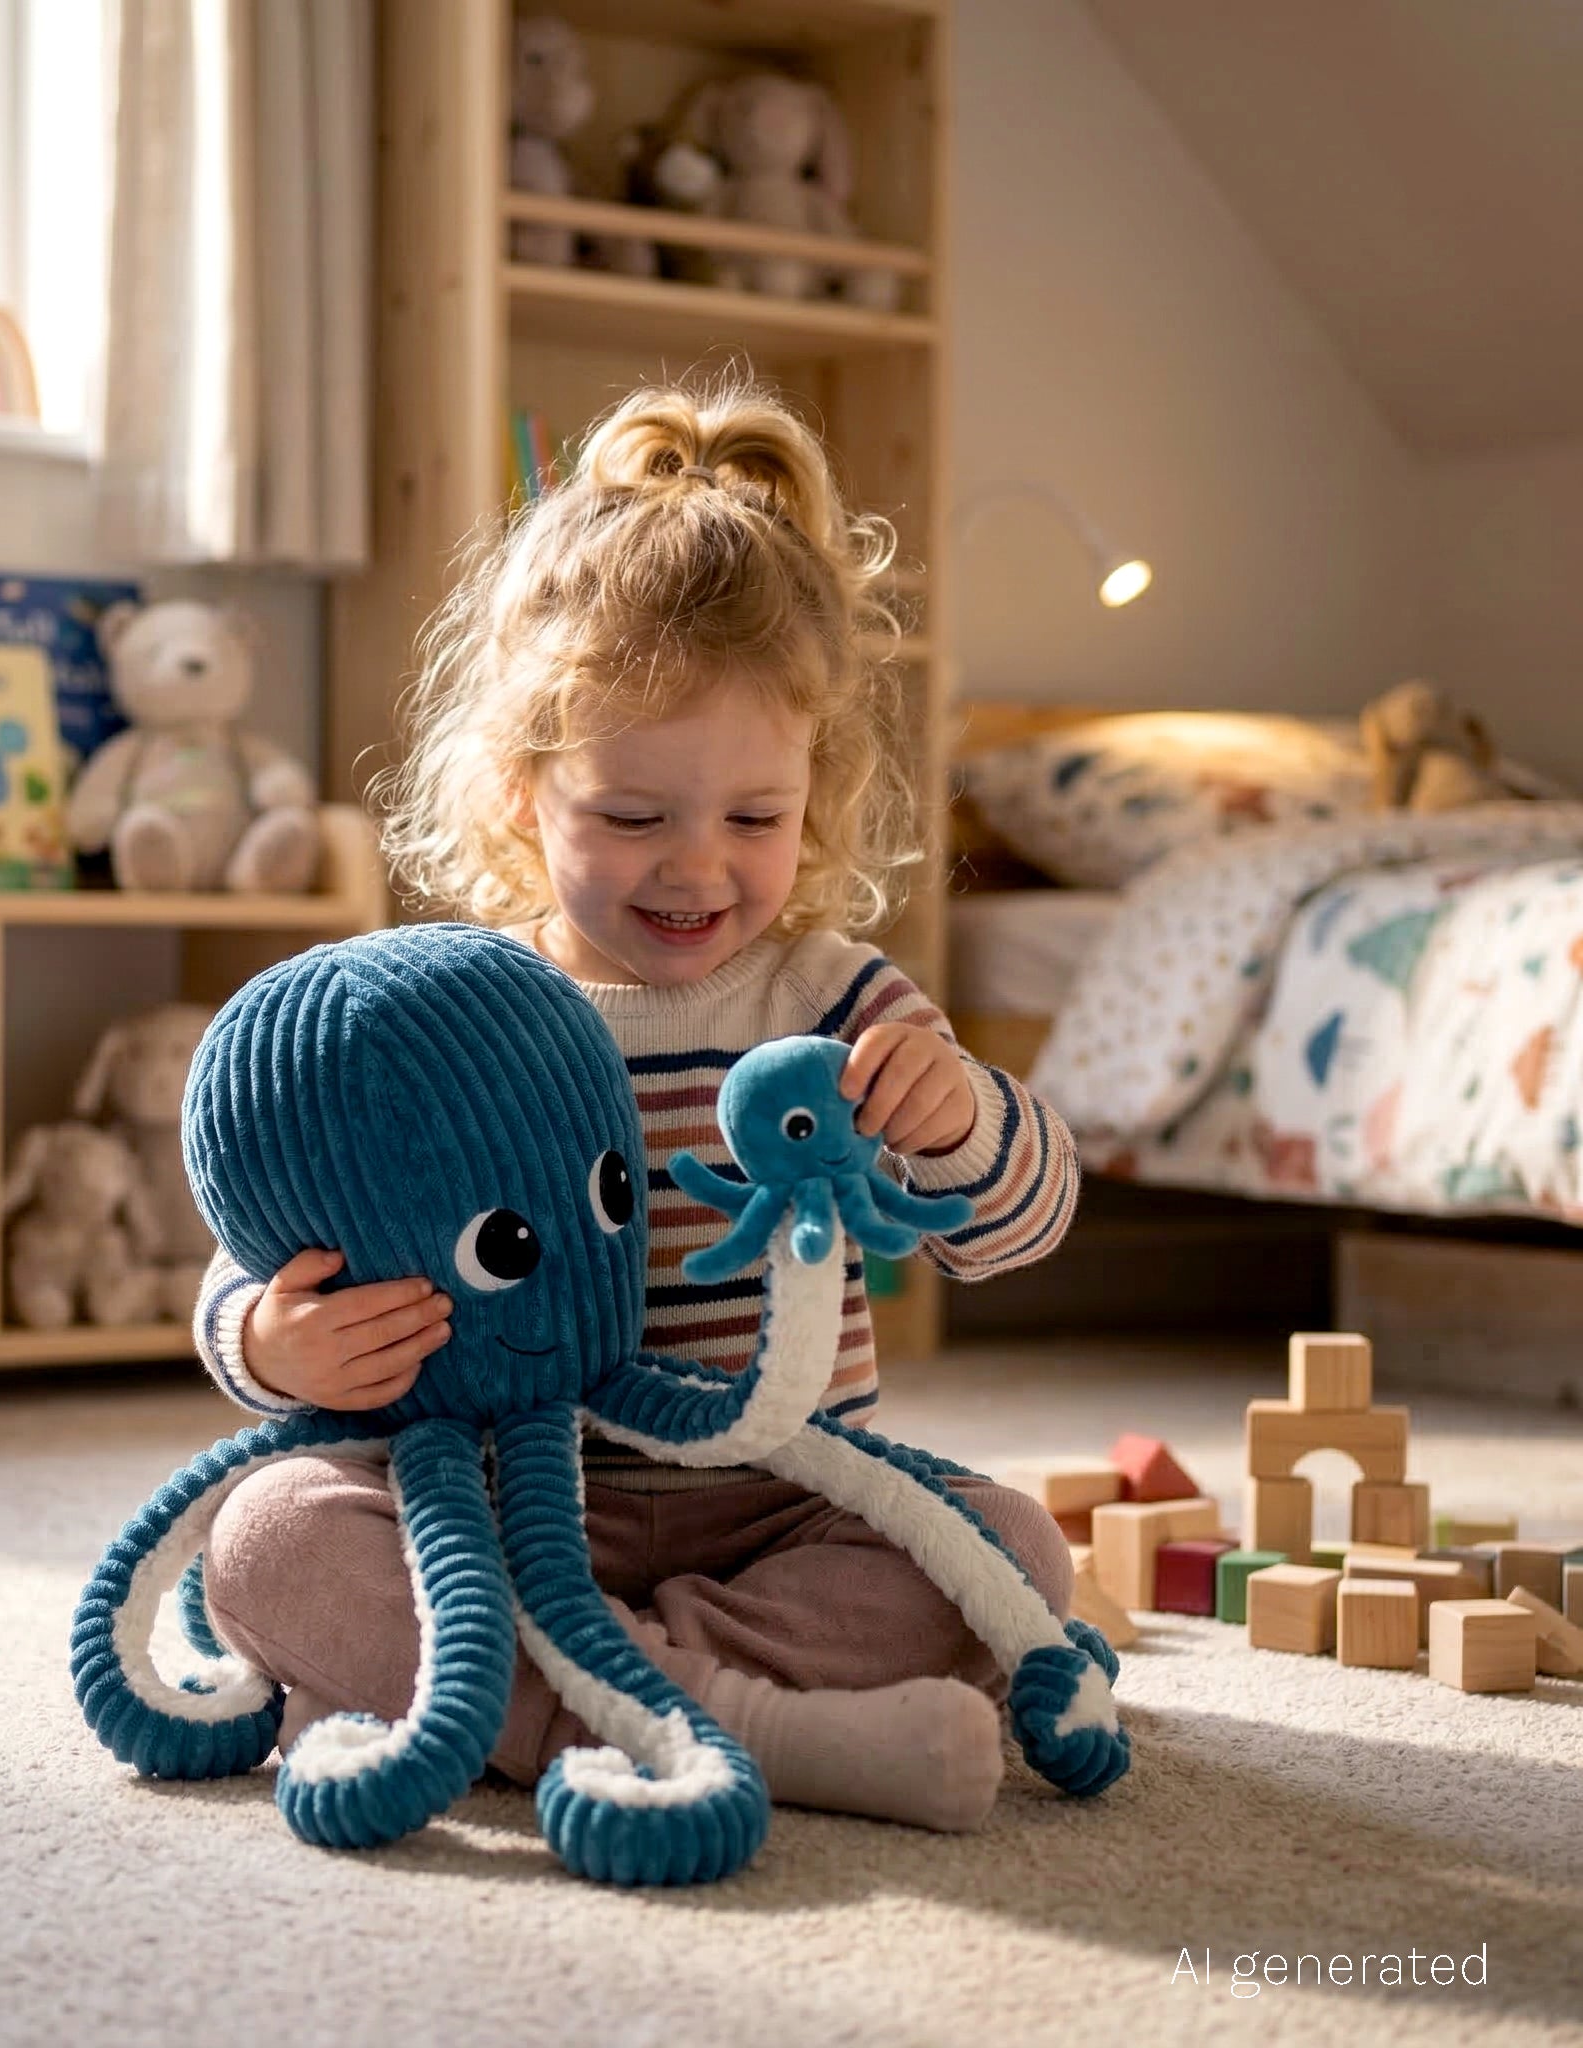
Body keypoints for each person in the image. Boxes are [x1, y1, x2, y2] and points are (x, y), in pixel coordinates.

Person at [192, 374, 1081, 1834]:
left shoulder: (836, 997)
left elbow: (1017, 1224)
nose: (696, 869)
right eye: (629, 816)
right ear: (520, 793)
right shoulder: (451, 1010)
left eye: (754, 819)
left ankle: (531, 1706)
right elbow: (258, 1245)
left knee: (1010, 1550)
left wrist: (966, 1122)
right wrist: (271, 1338)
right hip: (486, 1502)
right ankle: (743, 1727)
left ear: (820, 791)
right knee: (269, 1539)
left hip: (779, 1502)